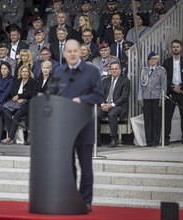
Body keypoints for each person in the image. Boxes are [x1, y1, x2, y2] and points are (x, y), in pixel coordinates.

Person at [52, 39, 104, 212]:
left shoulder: (92, 71)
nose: (73, 54)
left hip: (84, 126)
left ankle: (85, 201)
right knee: (68, 167)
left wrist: (81, 100)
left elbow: (98, 95)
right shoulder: (58, 71)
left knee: (86, 166)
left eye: (76, 51)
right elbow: (51, 95)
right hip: (65, 128)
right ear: (64, 53)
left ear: (81, 52)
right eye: (69, 51)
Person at [163, 39, 183, 145]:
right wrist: (172, 87)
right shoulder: (166, 62)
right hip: (171, 92)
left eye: (177, 46)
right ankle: (166, 138)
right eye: (174, 47)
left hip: (182, 92)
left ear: (181, 48)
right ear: (171, 48)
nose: (175, 48)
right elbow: (163, 77)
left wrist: (180, 86)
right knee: (168, 116)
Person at [96, 61, 130, 148]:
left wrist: (112, 105)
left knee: (112, 114)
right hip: (105, 104)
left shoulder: (125, 81)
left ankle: (113, 139)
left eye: (116, 69)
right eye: (112, 69)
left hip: (118, 105)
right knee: (95, 114)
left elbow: (124, 97)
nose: (114, 70)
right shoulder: (105, 81)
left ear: (120, 70)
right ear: (110, 70)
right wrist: (103, 104)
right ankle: (97, 140)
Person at [1, 65, 36, 144]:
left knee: (17, 114)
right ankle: (11, 135)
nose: (24, 73)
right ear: (20, 72)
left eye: (26, 71)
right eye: (23, 71)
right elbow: (12, 91)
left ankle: (9, 137)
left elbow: (31, 93)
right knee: (7, 112)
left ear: (29, 73)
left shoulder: (32, 81)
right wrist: (15, 97)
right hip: (16, 102)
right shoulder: (17, 81)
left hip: (27, 102)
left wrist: (20, 96)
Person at [138, 52, 167, 147]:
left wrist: (162, 99)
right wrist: (140, 98)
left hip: (156, 97)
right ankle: (148, 141)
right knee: (147, 120)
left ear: (157, 60)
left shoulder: (161, 70)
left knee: (157, 120)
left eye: (154, 59)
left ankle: (155, 141)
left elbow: (163, 85)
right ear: (148, 60)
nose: (152, 60)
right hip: (146, 98)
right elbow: (141, 85)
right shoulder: (144, 70)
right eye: (150, 59)